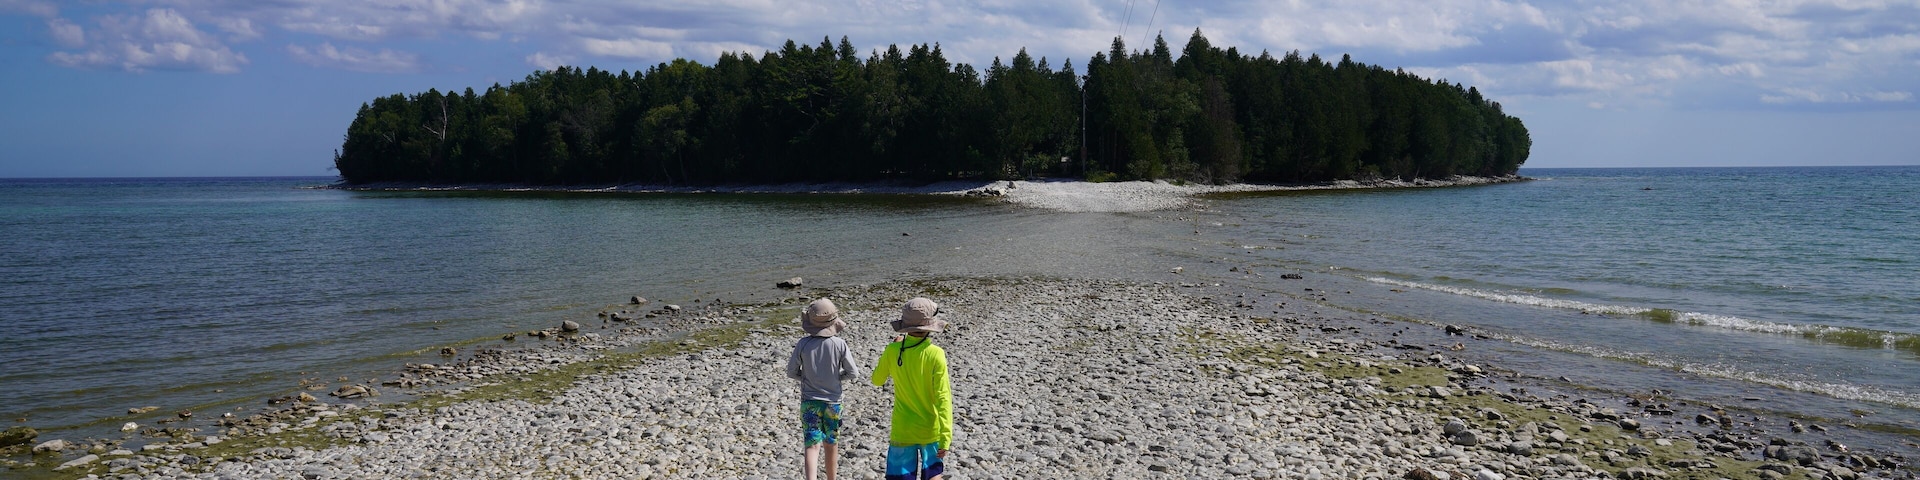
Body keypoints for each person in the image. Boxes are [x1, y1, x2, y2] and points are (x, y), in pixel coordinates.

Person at [871, 297, 953, 480]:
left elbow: (877, 380)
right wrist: (945, 436)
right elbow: (943, 397)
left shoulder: (893, 350)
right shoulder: (936, 354)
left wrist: (894, 347)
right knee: (933, 474)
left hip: (902, 427)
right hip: (929, 428)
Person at [786, 298, 857, 480]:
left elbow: (791, 372)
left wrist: (807, 378)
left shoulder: (803, 344)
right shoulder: (840, 344)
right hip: (833, 402)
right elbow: (852, 372)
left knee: (811, 445)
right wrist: (836, 378)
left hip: (809, 401)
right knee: (831, 443)